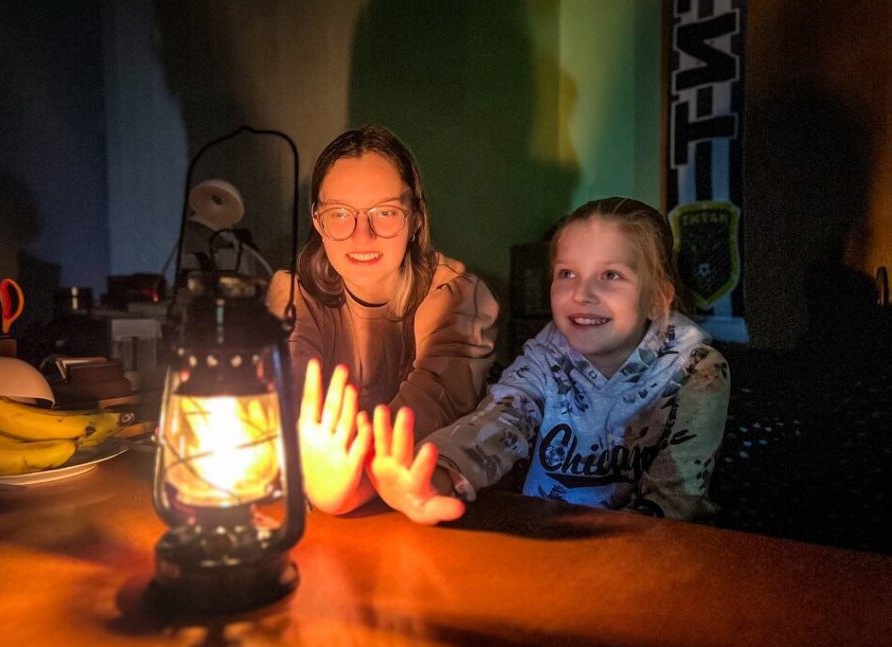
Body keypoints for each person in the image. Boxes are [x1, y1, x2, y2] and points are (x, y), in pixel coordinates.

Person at [364, 197, 731, 524]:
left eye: (610, 275)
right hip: (548, 547)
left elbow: (670, 508)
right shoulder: (545, 357)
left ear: (656, 299)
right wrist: (434, 472)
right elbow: (498, 421)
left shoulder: (697, 371)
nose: (581, 293)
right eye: (567, 273)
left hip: (651, 559)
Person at [265, 124, 499, 515]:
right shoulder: (293, 294)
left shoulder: (458, 297)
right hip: (316, 523)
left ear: (416, 218)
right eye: (340, 213)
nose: (362, 236)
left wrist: (339, 490)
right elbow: (285, 412)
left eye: (385, 212)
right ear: (318, 221)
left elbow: (423, 417)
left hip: (416, 513)